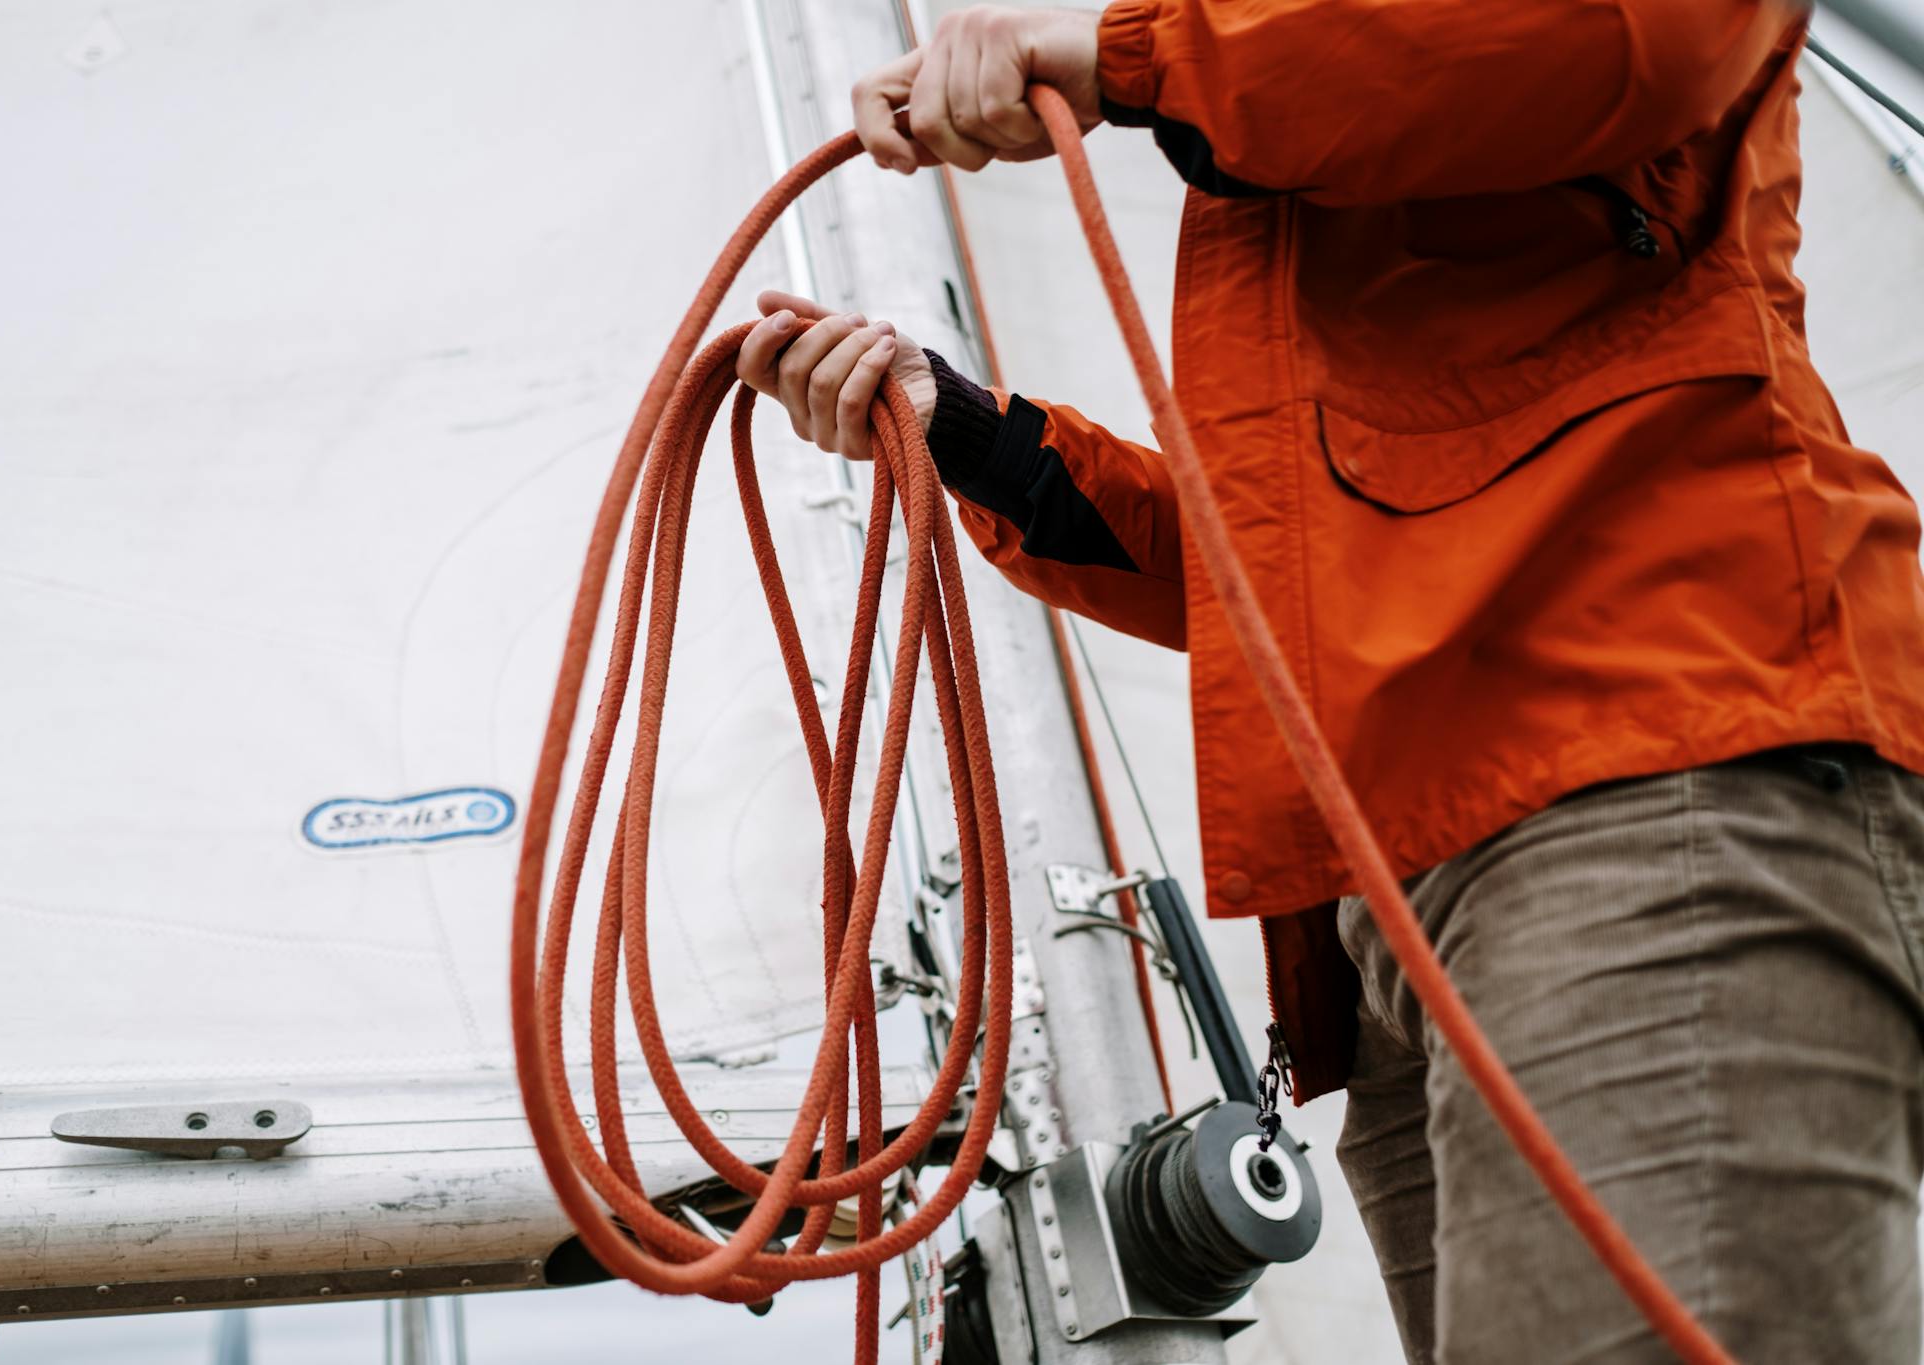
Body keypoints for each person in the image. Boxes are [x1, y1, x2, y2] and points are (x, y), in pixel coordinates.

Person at [733, 4, 1924, 1362]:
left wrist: (1138, 60)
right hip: (1422, 910)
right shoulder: (1297, 106)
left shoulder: (1280, 71)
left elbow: (1630, 32)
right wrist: (969, 433)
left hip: (1651, 789)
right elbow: (1285, 568)